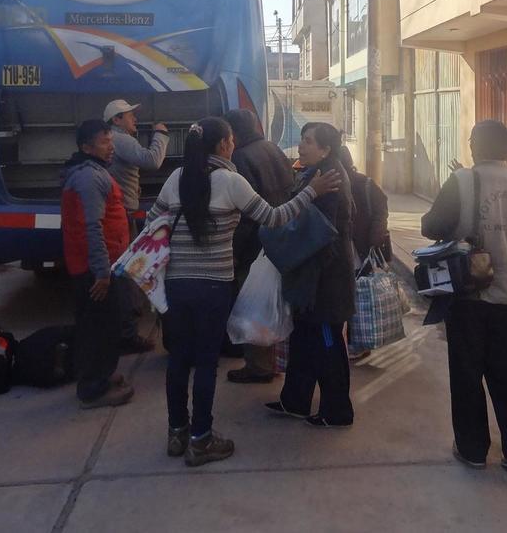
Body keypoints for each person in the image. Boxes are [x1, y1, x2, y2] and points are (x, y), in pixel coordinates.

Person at [149, 117, 341, 467]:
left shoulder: (176, 179)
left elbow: (152, 223)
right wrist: (312, 191)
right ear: (223, 145)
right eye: (231, 140)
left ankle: (177, 432)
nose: (234, 144)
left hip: (175, 285)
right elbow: (274, 217)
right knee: (206, 363)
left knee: (178, 360)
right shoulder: (230, 182)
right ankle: (201, 439)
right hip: (213, 286)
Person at [421, 120, 507, 472]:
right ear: (506, 148)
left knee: (466, 373)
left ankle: (473, 450)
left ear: (475, 146)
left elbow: (432, 225)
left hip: (469, 297)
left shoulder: (462, 180)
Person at [266, 122, 357, 428]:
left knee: (327, 342)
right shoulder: (314, 172)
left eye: (308, 141)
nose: (302, 146)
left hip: (326, 279)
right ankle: (294, 400)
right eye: (302, 140)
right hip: (313, 276)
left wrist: (284, 249)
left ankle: (337, 411)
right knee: (304, 339)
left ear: (326, 149)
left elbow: (321, 232)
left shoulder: (328, 177)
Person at [60, 119, 134, 410]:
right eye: (105, 142)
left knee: (105, 323)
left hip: (102, 266)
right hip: (95, 270)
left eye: (111, 140)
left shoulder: (91, 172)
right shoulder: (89, 179)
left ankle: (103, 375)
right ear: (86, 147)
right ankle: (93, 389)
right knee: (98, 328)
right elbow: (92, 227)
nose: (111, 147)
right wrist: (102, 274)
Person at [223, 108, 296, 385]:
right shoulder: (272, 149)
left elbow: (245, 212)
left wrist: (233, 251)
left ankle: (258, 365)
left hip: (257, 242)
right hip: (282, 235)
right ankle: (273, 359)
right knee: (274, 300)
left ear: (234, 133)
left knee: (252, 303)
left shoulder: (240, 158)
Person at [104, 99, 169, 353]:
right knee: (126, 274)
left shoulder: (116, 139)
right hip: (121, 214)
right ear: (117, 120)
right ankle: (127, 334)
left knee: (124, 271)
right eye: (130, 115)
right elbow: (152, 160)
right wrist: (161, 134)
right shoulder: (121, 139)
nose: (135, 119)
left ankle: (125, 326)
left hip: (122, 211)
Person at [336, 145, 390, 361]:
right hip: (361, 248)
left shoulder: (360, 183)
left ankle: (354, 341)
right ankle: (355, 342)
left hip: (357, 249)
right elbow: (381, 209)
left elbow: (380, 209)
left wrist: (375, 236)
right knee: (357, 297)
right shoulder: (362, 182)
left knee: (352, 296)